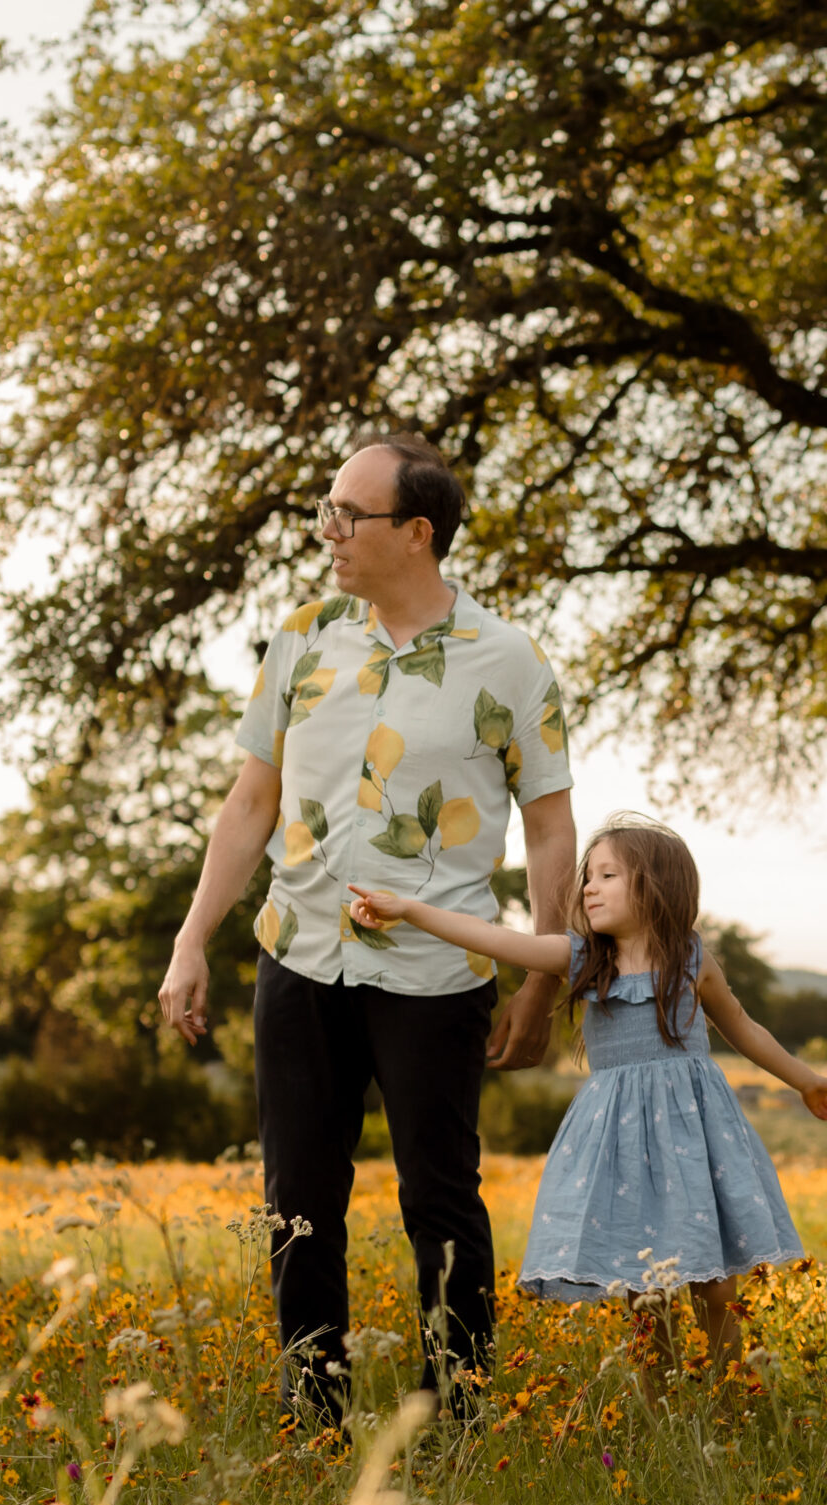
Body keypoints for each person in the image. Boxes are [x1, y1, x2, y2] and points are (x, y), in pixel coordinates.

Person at [156, 432, 579, 1428]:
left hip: (436, 974)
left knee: (441, 1205)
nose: (330, 532)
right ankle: (320, 1418)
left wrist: (540, 980)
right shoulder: (303, 636)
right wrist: (189, 940)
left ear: (418, 533)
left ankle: (457, 1422)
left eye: (351, 515)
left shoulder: (510, 662)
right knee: (298, 1203)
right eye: (327, 511)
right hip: (296, 958)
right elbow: (249, 802)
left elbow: (552, 828)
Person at [348, 815, 827, 1395]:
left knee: (717, 1287)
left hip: (697, 1136)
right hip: (624, 1143)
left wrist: (803, 1079)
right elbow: (496, 939)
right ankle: (663, 1418)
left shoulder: (692, 958)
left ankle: (732, 1404)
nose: (589, 887)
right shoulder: (584, 959)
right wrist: (411, 910)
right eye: (589, 876)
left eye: (609, 875)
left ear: (656, 886)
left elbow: (743, 1027)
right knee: (646, 1291)